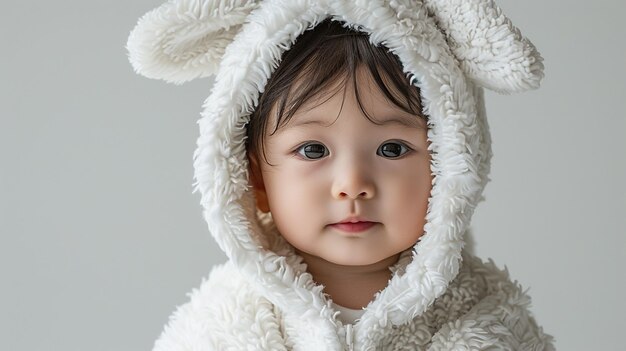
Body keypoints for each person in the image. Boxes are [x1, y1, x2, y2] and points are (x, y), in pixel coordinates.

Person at [127, 1, 555, 350]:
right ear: (254, 180)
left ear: (450, 168)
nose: (353, 183)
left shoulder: (486, 317)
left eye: (392, 149)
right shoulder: (223, 322)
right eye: (313, 150)